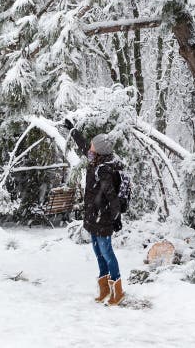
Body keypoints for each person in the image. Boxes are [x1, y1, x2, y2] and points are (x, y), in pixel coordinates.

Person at [63, 119, 125, 306]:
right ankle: (105, 288)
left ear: (98, 150)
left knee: (107, 253)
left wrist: (116, 217)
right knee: (98, 252)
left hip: (103, 217)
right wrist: (73, 130)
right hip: (93, 216)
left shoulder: (104, 169)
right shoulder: (94, 159)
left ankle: (117, 291)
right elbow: (83, 147)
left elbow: (112, 196)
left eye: (92, 145)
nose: (89, 147)